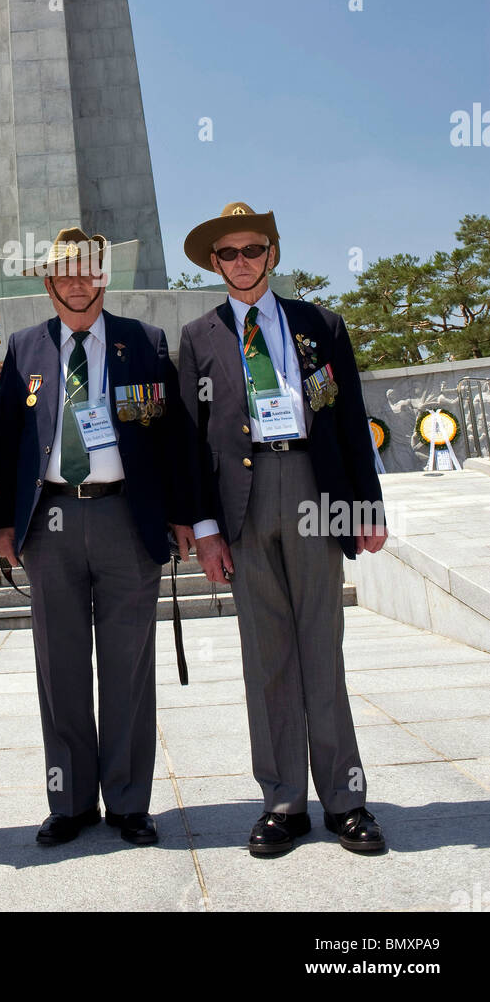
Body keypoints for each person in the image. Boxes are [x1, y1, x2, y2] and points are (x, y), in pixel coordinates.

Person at [178, 202, 388, 857]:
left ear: (271, 253)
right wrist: (205, 527)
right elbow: (188, 440)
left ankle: (346, 799)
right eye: (227, 254)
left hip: (311, 486)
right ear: (214, 263)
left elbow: (349, 417)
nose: (239, 262)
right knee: (266, 657)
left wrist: (366, 503)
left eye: (251, 250)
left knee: (322, 649)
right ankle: (281, 801)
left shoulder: (318, 324)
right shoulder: (199, 336)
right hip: (241, 502)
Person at [0, 227, 196, 847]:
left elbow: (173, 436)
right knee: (60, 667)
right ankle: (70, 799)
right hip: (49, 522)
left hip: (125, 518)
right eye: (64, 275)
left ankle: (130, 800)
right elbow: (5, 440)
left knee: (129, 664)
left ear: (103, 279)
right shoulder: (24, 349)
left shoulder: (145, 342)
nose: (77, 284)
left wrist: (183, 513)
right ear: (49, 285)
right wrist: (2, 520)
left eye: (88, 273)